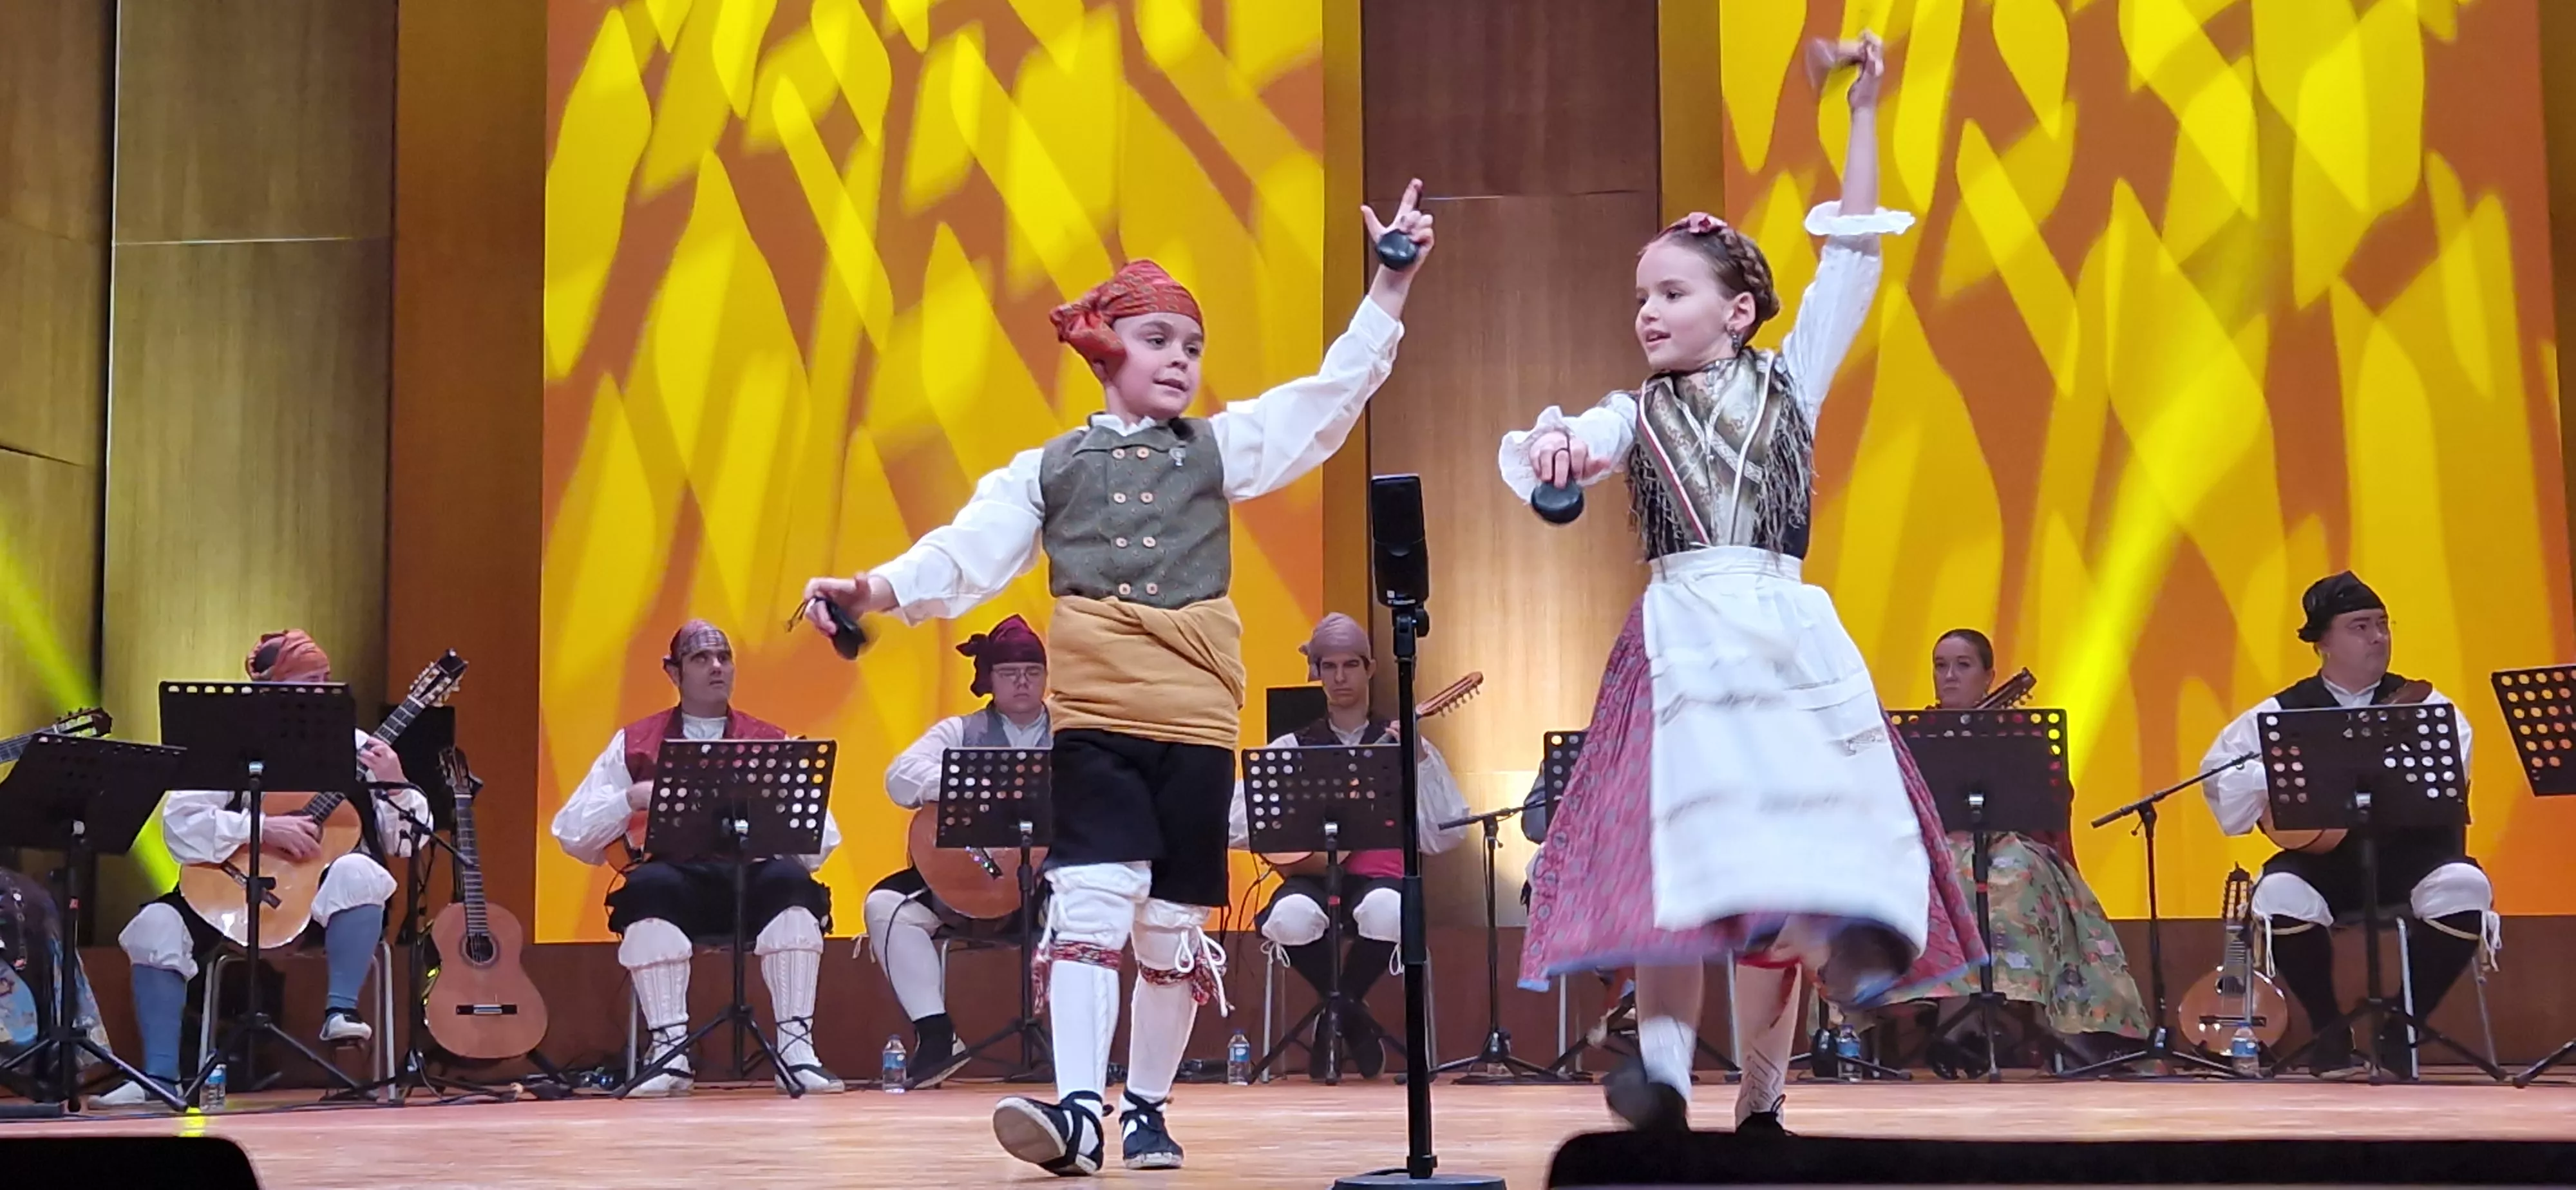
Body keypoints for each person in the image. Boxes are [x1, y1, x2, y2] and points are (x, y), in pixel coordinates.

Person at [803, 184, 1435, 1175]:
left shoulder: (1219, 452)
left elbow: (1327, 401)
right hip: (1097, 720)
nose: (1181, 359)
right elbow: (966, 554)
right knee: (1093, 902)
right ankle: (1081, 1116)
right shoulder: (1047, 469)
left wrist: (1390, 280)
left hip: (1192, 721)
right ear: (1106, 350)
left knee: (1171, 925)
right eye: (1157, 340)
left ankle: (1147, 1105)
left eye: (1192, 345)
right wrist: (875, 587)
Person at [1496, 34, 1978, 1134]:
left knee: (1796, 868)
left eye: (1671, 291)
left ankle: (1767, 1092)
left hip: (1781, 638)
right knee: (1682, 872)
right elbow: (1564, 444)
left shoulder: (1789, 382)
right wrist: (1558, 455)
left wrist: (1864, 108)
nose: (1648, 312)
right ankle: (1663, 1082)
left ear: (1741, 309)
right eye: (1639, 297)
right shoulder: (1635, 408)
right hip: (1682, 642)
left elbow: (1852, 257)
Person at [99, 630, 429, 1106]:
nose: (324, 692)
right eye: (309, 682)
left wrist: (396, 784)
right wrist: (262, 830)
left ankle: (339, 1011)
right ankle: (159, 1079)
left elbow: (409, 841)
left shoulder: (360, 750)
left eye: (326, 679)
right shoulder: (225, 747)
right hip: (231, 894)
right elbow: (179, 827)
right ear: (272, 690)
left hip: (319, 904)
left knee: (362, 873)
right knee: (154, 926)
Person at [2199, 572, 2495, 1079]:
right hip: (2325, 861)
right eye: (2360, 627)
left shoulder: (2426, 706)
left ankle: (2402, 1028)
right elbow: (2220, 776)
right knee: (2278, 896)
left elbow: (2448, 775)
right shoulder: (2281, 712)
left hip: (2411, 858)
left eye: (2382, 625)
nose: (2378, 637)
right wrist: (2283, 773)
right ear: (2323, 644)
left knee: (2467, 889)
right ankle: (2328, 1031)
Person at [552, 619, 842, 1096]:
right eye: (700, 658)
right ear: (673, 672)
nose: (716, 667)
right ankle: (669, 1053)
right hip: (678, 882)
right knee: (647, 888)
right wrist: (632, 799)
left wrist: (777, 814)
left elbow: (823, 839)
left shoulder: (768, 738)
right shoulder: (635, 742)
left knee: (793, 883)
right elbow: (570, 832)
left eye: (724, 658)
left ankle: (796, 1049)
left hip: (750, 881)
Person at [1882, 628, 2149, 1070]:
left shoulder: (2020, 734)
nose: (1949, 676)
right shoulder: (1915, 737)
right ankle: (1954, 1025)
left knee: (2009, 876)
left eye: (1963, 666)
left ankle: (1984, 1028)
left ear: (1989, 677)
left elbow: (2049, 801)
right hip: (1932, 850)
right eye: (1940, 665)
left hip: (2007, 844)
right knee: (1939, 876)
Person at [1226, 612, 1468, 1080]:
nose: (1340, 677)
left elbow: (1447, 831)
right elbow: (1238, 820)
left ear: (1370, 669)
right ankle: (1355, 1021)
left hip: (1380, 877)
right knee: (1289, 918)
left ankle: (1335, 1015)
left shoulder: (1401, 743)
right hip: (1315, 877)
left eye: (1350, 666)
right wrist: (1293, 840)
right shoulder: (1293, 747)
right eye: (1329, 667)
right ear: (1317, 673)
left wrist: (1417, 755)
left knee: (1387, 911)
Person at [864, 614, 1052, 1088]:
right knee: (886, 907)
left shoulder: (1075, 733)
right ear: (989, 679)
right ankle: (936, 1034)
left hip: (1052, 880)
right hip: (972, 878)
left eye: (1033, 672)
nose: (1022, 682)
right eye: (1009, 673)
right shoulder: (960, 731)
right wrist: (968, 786)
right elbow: (899, 776)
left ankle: (1073, 1043)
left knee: (1100, 904)